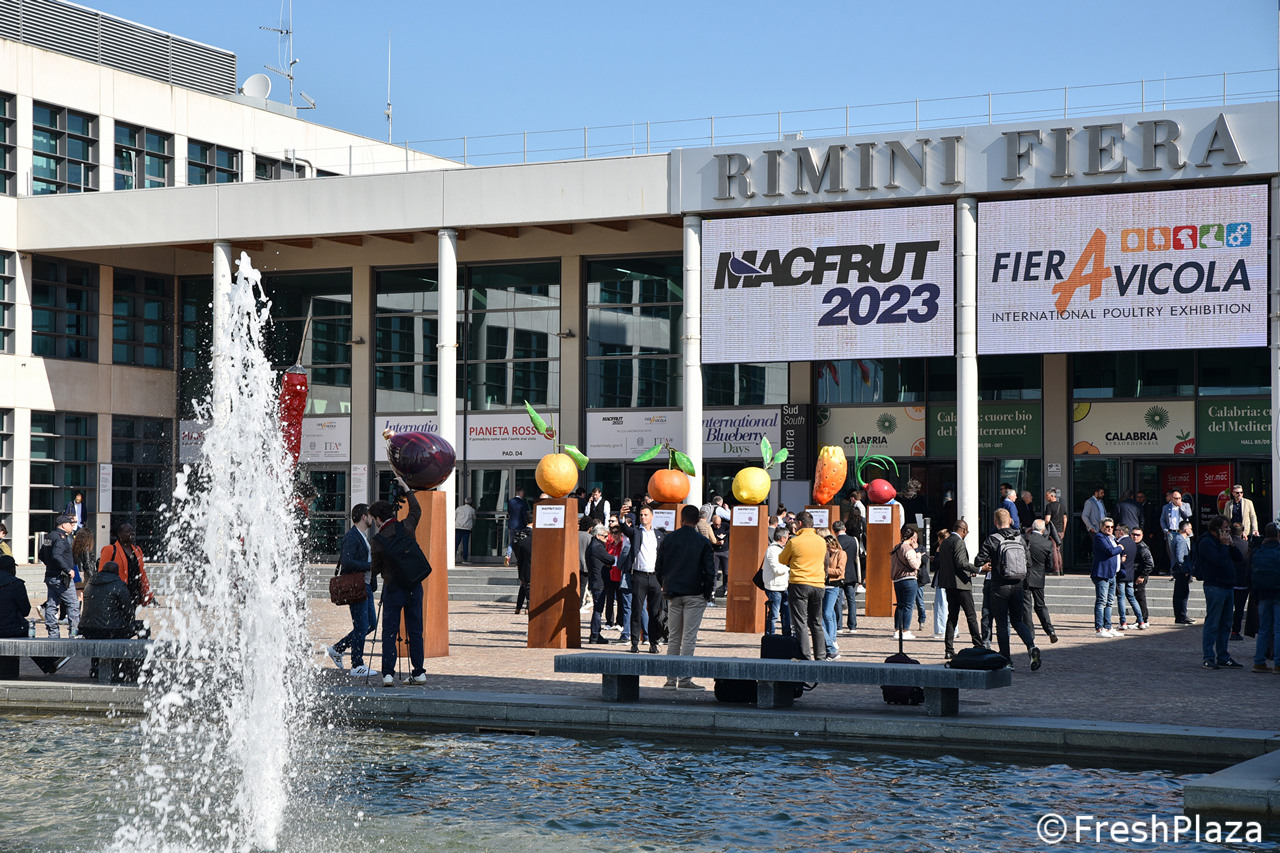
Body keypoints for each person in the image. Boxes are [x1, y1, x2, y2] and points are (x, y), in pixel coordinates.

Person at [371, 476, 428, 687]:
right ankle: (419, 672)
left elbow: (375, 568)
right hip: (414, 586)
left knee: (389, 632)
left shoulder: (378, 540)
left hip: (393, 589)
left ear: (378, 519)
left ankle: (388, 674)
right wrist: (406, 488)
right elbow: (416, 510)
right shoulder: (406, 527)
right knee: (415, 631)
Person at [655, 505, 715, 689]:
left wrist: (665, 584)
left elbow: (659, 567)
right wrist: (707, 592)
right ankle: (685, 679)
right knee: (689, 637)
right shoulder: (702, 541)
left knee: (674, 636)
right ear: (697, 520)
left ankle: (670, 679)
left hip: (674, 592)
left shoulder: (669, 538)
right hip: (695, 593)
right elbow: (710, 571)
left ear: (681, 519)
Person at [975, 508, 1042, 670]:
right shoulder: (1020, 539)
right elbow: (1028, 563)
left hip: (999, 586)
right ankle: (1031, 646)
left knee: (1002, 624)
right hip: (1018, 585)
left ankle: (1007, 660)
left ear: (995, 522)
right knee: (1017, 621)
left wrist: (990, 561)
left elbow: (978, 561)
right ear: (1010, 520)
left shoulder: (993, 539)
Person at [327, 503, 377, 677]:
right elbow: (347, 562)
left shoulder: (362, 536)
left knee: (370, 624)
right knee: (362, 625)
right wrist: (369, 566)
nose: (372, 518)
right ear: (364, 516)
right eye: (370, 515)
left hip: (365, 586)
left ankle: (338, 648)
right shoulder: (352, 536)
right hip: (357, 587)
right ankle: (357, 664)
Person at [80, 560, 141, 681]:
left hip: (87, 629)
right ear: (117, 572)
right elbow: (129, 611)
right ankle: (138, 666)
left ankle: (96, 667)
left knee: (98, 631)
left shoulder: (90, 583)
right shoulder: (118, 584)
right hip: (110, 629)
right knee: (142, 627)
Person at [779, 511, 827, 661]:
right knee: (816, 622)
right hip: (818, 583)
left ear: (799, 523)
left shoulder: (794, 541)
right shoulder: (821, 541)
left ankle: (805, 656)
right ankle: (821, 656)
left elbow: (782, 559)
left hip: (799, 583)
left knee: (800, 622)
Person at [619, 504, 666, 654]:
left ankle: (653, 643)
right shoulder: (636, 532)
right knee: (637, 610)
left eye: (646, 515)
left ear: (652, 516)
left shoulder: (658, 534)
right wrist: (622, 517)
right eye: (641, 515)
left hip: (655, 577)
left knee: (654, 612)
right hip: (639, 576)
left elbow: (663, 557)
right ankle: (634, 643)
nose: (643, 517)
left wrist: (663, 579)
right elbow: (625, 529)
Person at [1199, 515, 1244, 670]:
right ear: (1216, 529)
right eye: (1225, 528)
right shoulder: (1206, 542)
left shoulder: (1224, 542)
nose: (1228, 530)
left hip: (1228, 585)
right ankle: (1208, 657)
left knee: (1226, 624)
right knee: (1213, 623)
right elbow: (1219, 561)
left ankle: (1223, 656)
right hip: (1214, 586)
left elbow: (1239, 558)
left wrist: (1231, 545)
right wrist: (1224, 546)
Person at [936, 518, 983, 661]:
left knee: (952, 617)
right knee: (971, 615)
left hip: (949, 584)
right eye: (966, 531)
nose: (966, 534)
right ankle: (978, 645)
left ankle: (949, 649)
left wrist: (969, 571)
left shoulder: (945, 542)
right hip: (961, 585)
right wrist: (979, 568)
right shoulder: (959, 542)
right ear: (962, 530)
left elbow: (949, 563)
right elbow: (961, 563)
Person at [98, 523, 153, 608]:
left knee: (131, 615)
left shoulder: (138, 550)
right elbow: (101, 574)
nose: (132, 533)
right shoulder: (109, 550)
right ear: (119, 534)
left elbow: (142, 574)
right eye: (128, 531)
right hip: (116, 595)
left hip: (134, 594)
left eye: (132, 531)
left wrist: (148, 594)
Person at [1249, 522, 1280, 673]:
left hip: (1262, 594)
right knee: (1278, 630)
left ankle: (1259, 662)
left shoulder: (1258, 551)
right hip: (1278, 594)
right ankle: (1278, 664)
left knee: (1263, 629)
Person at [42, 513, 78, 638]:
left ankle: (53, 634)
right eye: (70, 524)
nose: (72, 526)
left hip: (51, 575)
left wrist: (51, 565)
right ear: (63, 525)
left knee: (51, 605)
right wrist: (68, 569)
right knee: (73, 604)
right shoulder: (61, 538)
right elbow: (56, 555)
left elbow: (42, 554)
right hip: (61, 577)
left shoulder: (50, 536)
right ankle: (74, 634)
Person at [1023, 520, 1058, 643]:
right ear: (1043, 530)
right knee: (1041, 605)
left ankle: (1030, 635)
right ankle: (1050, 630)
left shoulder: (1025, 540)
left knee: (1026, 607)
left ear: (1032, 528)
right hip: (1038, 577)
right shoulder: (1047, 543)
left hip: (1025, 577)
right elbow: (1050, 564)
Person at [1090, 518, 1123, 638]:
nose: (1110, 529)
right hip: (1102, 574)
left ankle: (1108, 627)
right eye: (1107, 527)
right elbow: (1110, 551)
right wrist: (1120, 548)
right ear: (1101, 527)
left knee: (1109, 602)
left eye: (1111, 527)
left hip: (1112, 573)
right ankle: (1099, 628)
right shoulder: (1099, 537)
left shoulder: (1112, 538)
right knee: (1102, 601)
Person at [0, 555, 31, 681]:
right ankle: (49, 663)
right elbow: (26, 610)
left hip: (8, 628)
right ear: (12, 568)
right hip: (11, 630)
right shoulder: (16, 584)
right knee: (27, 630)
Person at [890, 525, 921, 641]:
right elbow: (915, 565)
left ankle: (897, 629)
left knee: (900, 605)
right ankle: (906, 630)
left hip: (897, 580)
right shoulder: (908, 549)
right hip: (909, 579)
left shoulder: (896, 547)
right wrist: (918, 554)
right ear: (912, 539)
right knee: (908, 605)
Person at [585, 523, 614, 644]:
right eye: (605, 536)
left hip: (596, 580)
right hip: (599, 582)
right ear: (598, 536)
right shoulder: (597, 547)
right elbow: (611, 559)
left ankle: (595, 634)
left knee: (598, 608)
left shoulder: (592, 545)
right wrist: (609, 562)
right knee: (598, 609)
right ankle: (595, 634)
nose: (607, 539)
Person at [833, 520, 861, 634]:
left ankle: (839, 626)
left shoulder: (835, 542)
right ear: (845, 529)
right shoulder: (854, 540)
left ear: (834, 531)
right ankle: (852, 626)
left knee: (838, 600)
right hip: (851, 572)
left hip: (838, 574)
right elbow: (856, 556)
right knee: (851, 600)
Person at [1114, 526, 1144, 632]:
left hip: (1122, 574)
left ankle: (1123, 622)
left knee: (1121, 598)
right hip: (1130, 574)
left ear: (1121, 532)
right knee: (1132, 597)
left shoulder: (1120, 543)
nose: (1115, 532)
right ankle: (1141, 621)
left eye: (1116, 530)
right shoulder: (1132, 543)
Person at [762, 527, 791, 636]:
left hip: (784, 586)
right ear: (782, 538)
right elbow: (777, 569)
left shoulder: (782, 549)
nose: (788, 539)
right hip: (774, 587)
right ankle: (770, 635)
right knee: (774, 614)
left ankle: (787, 636)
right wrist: (789, 567)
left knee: (786, 614)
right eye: (787, 537)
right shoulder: (773, 550)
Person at [821, 535, 846, 660]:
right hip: (823, 585)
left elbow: (840, 571)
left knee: (827, 613)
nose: (828, 549)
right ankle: (830, 640)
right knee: (826, 614)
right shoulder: (824, 554)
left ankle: (831, 640)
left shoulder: (841, 553)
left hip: (833, 585)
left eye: (829, 547)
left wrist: (826, 570)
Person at [1228, 522, 1251, 641]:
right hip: (1243, 582)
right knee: (1239, 609)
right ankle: (1235, 631)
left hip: (1229, 581)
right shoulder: (1247, 545)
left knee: (1227, 607)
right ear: (1242, 532)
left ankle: (1224, 629)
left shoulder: (1226, 545)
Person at [1171, 519, 1196, 625]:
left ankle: (1180, 615)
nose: (1191, 530)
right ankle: (1181, 616)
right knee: (1182, 594)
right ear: (1186, 529)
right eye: (1190, 528)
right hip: (1181, 571)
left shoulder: (1177, 538)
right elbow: (1180, 557)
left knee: (1180, 593)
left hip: (1179, 570)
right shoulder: (1180, 540)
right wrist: (1185, 570)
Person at [1129, 527, 1155, 630]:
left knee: (1140, 597)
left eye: (1138, 535)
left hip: (1139, 576)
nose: (1135, 537)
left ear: (1142, 536)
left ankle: (1143, 619)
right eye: (1133, 534)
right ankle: (1142, 619)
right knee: (1137, 597)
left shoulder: (1143, 548)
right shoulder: (1133, 546)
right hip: (1134, 575)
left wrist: (1142, 576)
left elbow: (1150, 564)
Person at [1162, 491, 1193, 566]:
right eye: (1176, 498)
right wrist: (1166, 530)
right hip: (1171, 532)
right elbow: (1162, 519)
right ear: (1172, 498)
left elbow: (1188, 515)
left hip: (1183, 533)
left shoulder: (1186, 505)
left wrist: (1181, 506)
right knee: (1172, 553)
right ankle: (1174, 570)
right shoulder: (1166, 507)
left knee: (1185, 552)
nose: (1178, 500)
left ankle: (1186, 569)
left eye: (1179, 498)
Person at [512, 518, 533, 615]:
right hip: (533, 566)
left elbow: (519, 556)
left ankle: (518, 607)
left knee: (523, 586)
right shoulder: (537, 538)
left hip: (524, 566)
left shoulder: (520, 536)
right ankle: (528, 607)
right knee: (530, 587)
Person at [505, 487, 529, 561]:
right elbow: (524, 515)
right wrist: (526, 524)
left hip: (512, 525)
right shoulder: (522, 503)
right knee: (520, 542)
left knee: (511, 541)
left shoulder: (510, 502)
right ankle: (519, 558)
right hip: (520, 525)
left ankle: (508, 555)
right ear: (521, 493)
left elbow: (509, 512)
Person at [709, 512, 729, 597]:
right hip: (715, 551)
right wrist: (717, 542)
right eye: (715, 525)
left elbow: (731, 529)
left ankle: (726, 589)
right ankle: (713, 590)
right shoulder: (711, 528)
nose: (717, 526)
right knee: (714, 572)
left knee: (726, 572)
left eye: (718, 524)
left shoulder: (725, 525)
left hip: (725, 551)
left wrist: (724, 534)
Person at [71, 527, 95, 594]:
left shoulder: (74, 547)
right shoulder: (86, 548)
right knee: (85, 595)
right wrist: (93, 577)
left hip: (77, 573)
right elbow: (87, 564)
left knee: (78, 594)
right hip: (85, 575)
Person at [454, 497, 476, 563]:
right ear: (471, 503)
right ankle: (465, 558)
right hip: (467, 528)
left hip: (458, 527)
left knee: (456, 543)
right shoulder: (472, 510)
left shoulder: (459, 508)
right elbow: (474, 518)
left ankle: (452, 557)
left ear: (464, 502)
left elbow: (454, 517)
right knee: (465, 543)